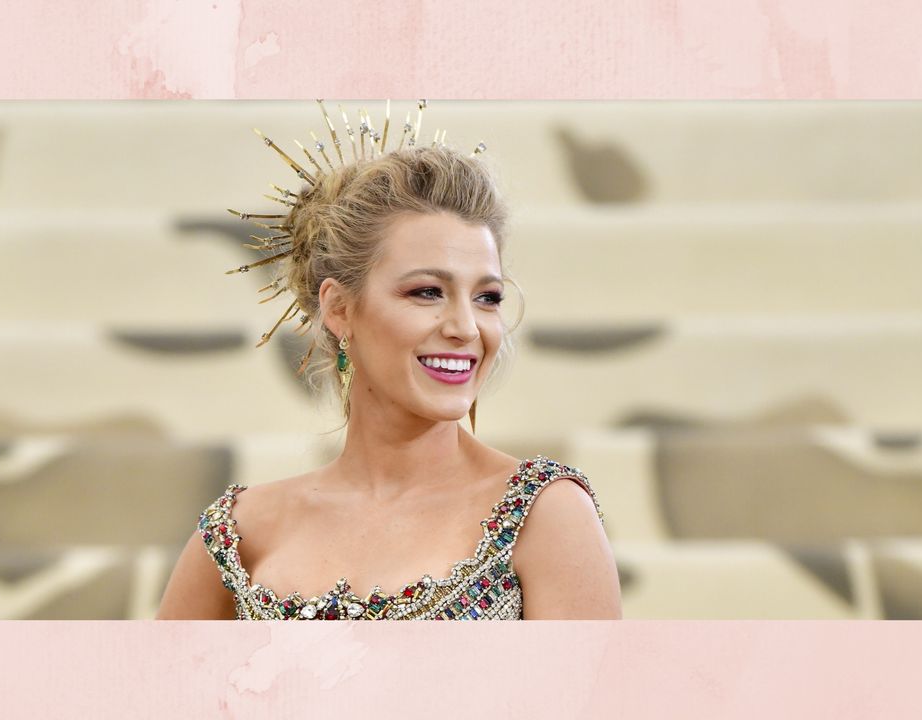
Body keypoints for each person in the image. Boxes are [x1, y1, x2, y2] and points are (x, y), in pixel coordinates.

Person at [156, 101, 620, 620]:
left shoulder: (546, 514)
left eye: (487, 297)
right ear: (339, 308)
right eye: (427, 292)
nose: (466, 327)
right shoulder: (238, 534)